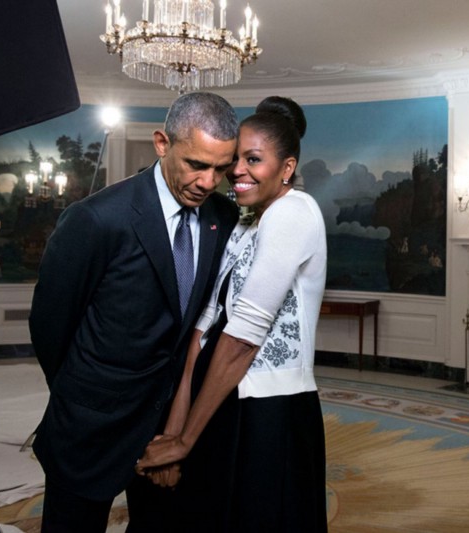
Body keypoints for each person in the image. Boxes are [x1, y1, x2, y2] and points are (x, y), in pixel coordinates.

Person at [28, 91, 241, 533]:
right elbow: (50, 325)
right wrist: (84, 395)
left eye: (221, 169)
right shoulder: (97, 219)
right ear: (162, 143)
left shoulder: (223, 217)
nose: (208, 182)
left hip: (167, 430)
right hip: (90, 427)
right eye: (197, 165)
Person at [135, 96, 329, 532]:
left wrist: (184, 440)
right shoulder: (244, 223)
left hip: (270, 411)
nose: (237, 170)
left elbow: (244, 336)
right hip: (220, 397)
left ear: (286, 168)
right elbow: (201, 335)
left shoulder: (295, 212)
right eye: (235, 158)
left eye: (254, 159)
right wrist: (176, 432)